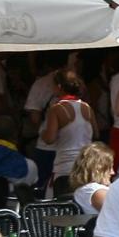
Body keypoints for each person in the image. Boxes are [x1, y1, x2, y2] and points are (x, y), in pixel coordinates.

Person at [41, 69, 95, 197]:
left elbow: (50, 139)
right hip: (84, 165)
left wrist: (43, 133)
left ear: (59, 87)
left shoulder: (57, 108)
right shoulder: (87, 108)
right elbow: (96, 132)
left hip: (64, 167)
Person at [23, 52, 64, 195]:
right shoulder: (77, 84)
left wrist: (43, 130)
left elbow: (34, 115)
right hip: (69, 149)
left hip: (45, 147)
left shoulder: (40, 84)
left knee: (42, 187)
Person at [69, 142, 115, 215]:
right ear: (98, 169)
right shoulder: (93, 190)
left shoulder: (89, 189)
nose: (112, 172)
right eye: (109, 168)